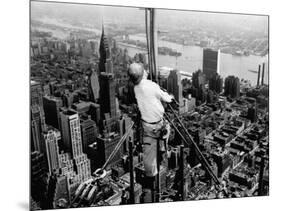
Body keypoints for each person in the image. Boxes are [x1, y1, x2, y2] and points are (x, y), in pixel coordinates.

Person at [128, 62, 173, 202]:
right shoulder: (151, 86)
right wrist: (170, 96)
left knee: (149, 151)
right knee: (165, 135)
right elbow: (166, 98)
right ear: (143, 74)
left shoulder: (135, 88)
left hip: (146, 127)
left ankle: (151, 176)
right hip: (159, 125)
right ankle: (164, 152)